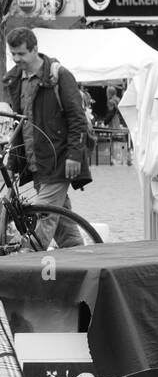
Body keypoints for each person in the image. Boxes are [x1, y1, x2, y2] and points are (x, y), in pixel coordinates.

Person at [2, 27, 92, 247]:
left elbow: (77, 119)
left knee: (42, 216)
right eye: (12, 53)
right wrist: (14, 162)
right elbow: (20, 125)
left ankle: (25, 262)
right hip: (36, 164)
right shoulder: (14, 79)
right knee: (62, 223)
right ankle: (80, 260)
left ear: (35, 50)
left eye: (21, 53)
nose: (16, 59)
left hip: (59, 160)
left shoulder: (58, 75)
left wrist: (74, 155)